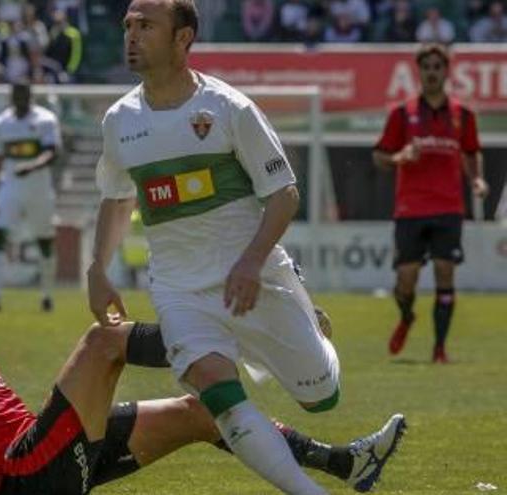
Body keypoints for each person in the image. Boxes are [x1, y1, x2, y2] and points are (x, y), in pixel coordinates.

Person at [0, 248, 405, 495]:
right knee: (104, 343)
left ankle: (346, 465)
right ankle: (246, 336)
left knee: (201, 413)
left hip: (60, 460)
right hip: (18, 479)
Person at [87, 1, 402, 493]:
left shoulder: (229, 108)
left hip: (254, 277)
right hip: (178, 288)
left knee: (322, 395)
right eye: (128, 25)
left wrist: (253, 262)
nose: (131, 35)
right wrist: (97, 269)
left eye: (146, 26)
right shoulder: (119, 120)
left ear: (183, 38)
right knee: (219, 396)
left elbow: (284, 193)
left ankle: (313, 329)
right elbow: (117, 196)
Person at [373, 44, 488, 363]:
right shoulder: (402, 113)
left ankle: (439, 349)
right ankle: (407, 316)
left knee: (444, 272)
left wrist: (476, 179)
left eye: (438, 66)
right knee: (405, 280)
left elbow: (471, 151)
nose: (433, 71)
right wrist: (399, 157)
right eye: (427, 67)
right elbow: (379, 156)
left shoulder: (462, 115)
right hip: (410, 209)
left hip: (449, 208)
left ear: (446, 72)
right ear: (419, 71)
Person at [0, 82, 61, 312]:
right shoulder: (2, 122)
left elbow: (52, 152)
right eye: (16, 95)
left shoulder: (45, 119)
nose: (20, 99)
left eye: (24, 95)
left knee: (44, 240)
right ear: (12, 97)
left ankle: (47, 294)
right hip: (10, 185)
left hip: (39, 188)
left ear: (31, 96)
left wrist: (32, 166)